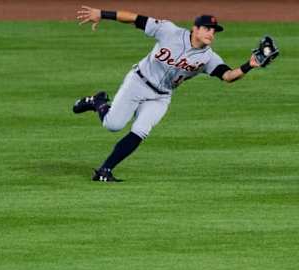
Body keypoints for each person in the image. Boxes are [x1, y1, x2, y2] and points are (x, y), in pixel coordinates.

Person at [73, 6, 261, 182]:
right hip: (138, 82)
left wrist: (249, 66)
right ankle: (98, 102)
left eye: (214, 30)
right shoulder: (169, 31)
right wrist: (102, 14)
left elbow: (228, 76)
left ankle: (104, 171)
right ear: (195, 29)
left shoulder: (209, 57)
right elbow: (136, 19)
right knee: (113, 125)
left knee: (141, 130)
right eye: (207, 28)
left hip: (161, 97)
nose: (211, 33)